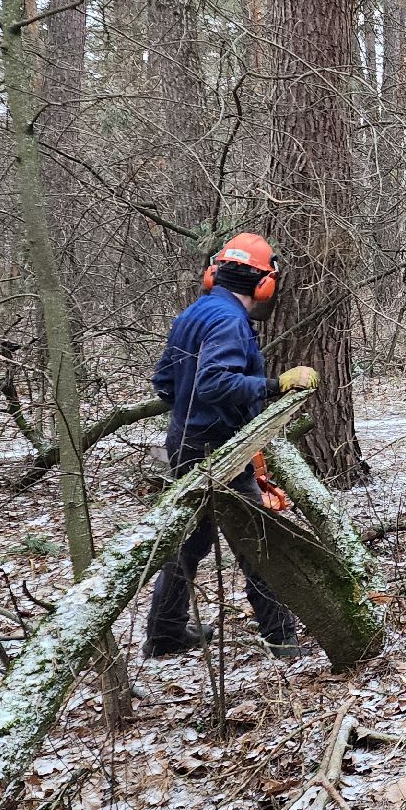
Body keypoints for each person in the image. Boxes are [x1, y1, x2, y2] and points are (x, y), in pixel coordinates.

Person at [144, 233, 320, 657]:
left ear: (215, 273)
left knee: (191, 538)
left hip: (186, 442)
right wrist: (278, 384)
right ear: (264, 285)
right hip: (217, 451)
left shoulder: (194, 315)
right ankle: (281, 638)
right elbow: (215, 382)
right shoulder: (227, 321)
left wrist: (193, 415)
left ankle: (165, 631)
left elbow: (165, 384)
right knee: (258, 538)